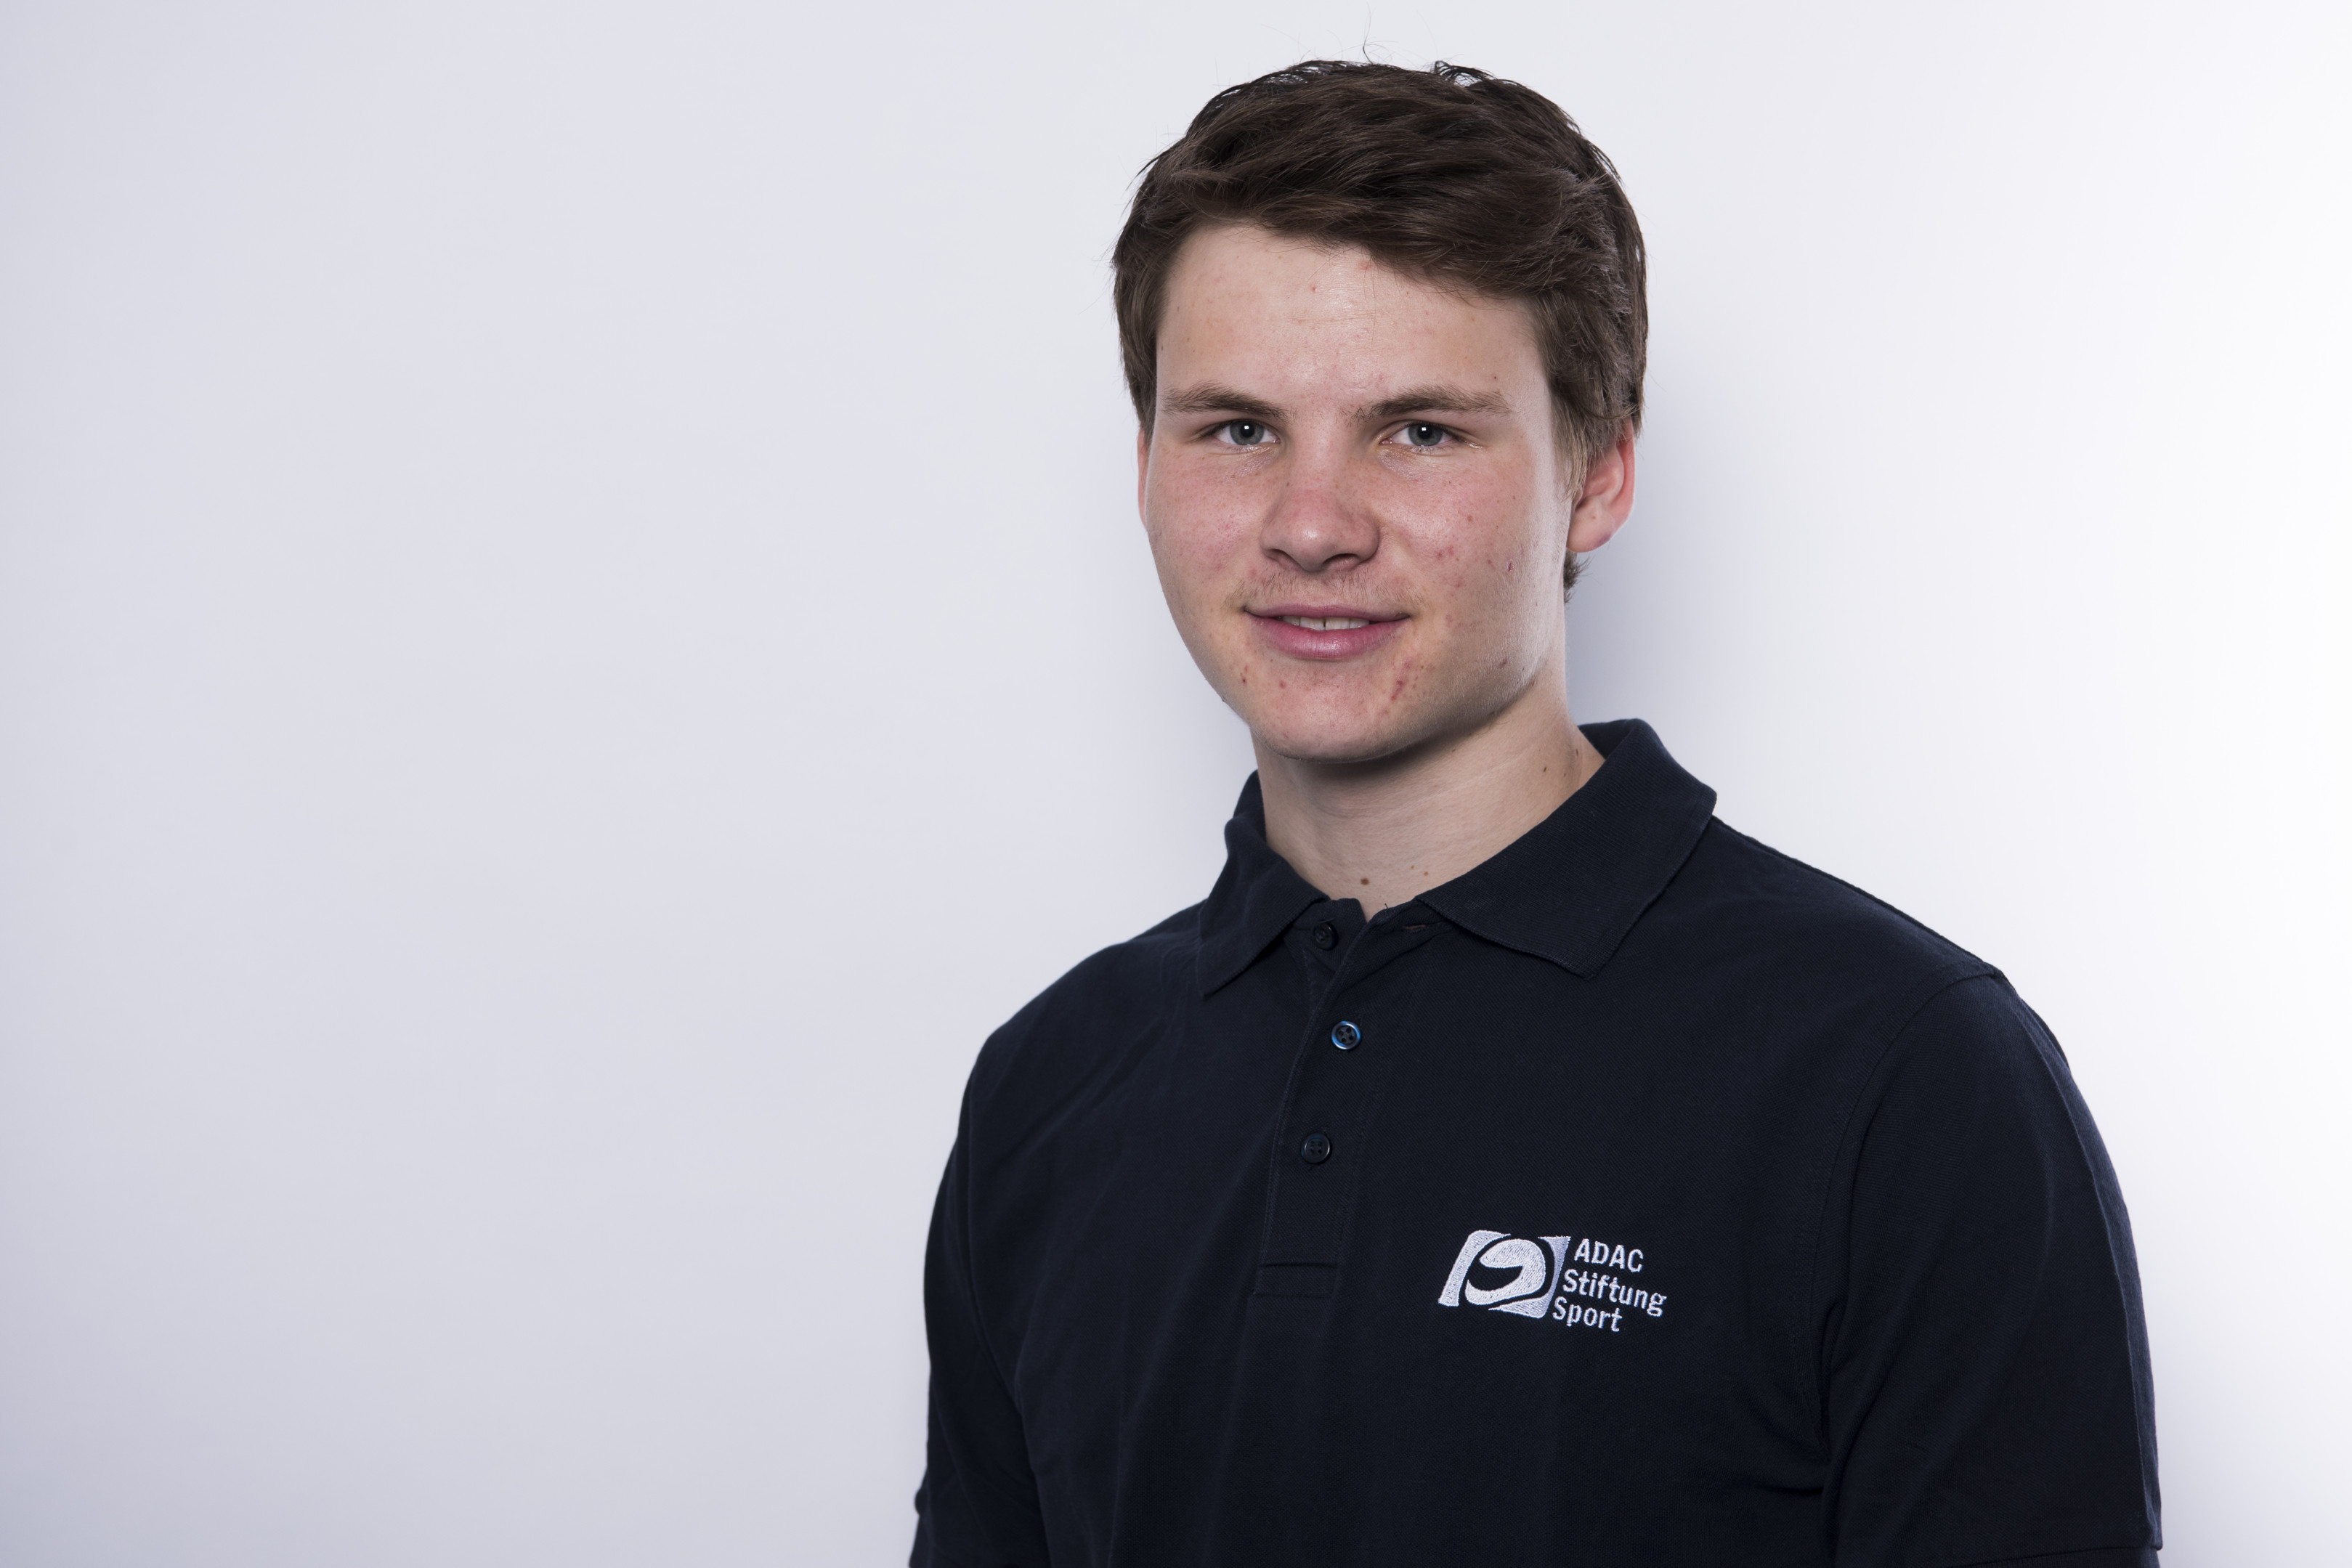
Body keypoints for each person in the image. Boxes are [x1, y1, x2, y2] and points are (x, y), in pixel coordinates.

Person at [913, 60, 2159, 1567]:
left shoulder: (1897, 1076)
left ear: (1597, 474)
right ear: (1144, 466)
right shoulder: (1051, 1083)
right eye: (1234, 429)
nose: (1311, 526)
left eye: (1418, 431)